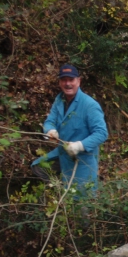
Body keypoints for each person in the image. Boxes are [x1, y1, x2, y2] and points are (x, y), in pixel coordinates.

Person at [31, 64, 108, 194]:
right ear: (59, 82)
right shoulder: (59, 100)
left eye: (71, 80)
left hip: (83, 159)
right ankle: (59, 189)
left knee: (83, 200)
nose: (67, 84)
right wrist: (50, 130)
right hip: (62, 153)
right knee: (38, 167)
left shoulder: (89, 105)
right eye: (64, 80)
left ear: (78, 81)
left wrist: (80, 145)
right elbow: (50, 121)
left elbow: (102, 133)